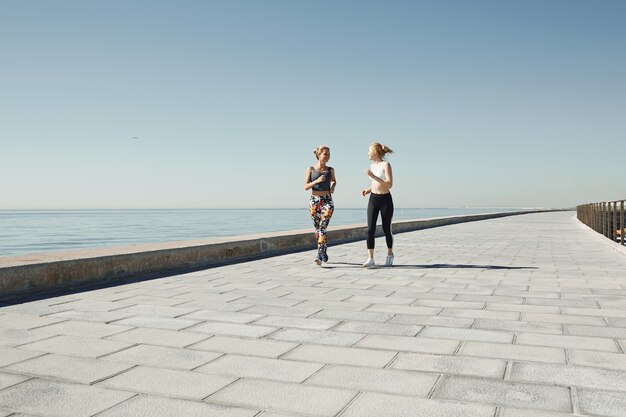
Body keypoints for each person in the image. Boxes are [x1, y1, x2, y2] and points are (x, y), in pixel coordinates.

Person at [361, 142, 394, 267]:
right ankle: (371, 258)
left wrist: (373, 176)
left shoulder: (386, 165)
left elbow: (389, 184)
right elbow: (375, 184)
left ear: (375, 151)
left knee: (386, 229)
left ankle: (390, 254)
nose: (368, 153)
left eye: (369, 150)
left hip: (385, 200)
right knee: (370, 230)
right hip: (373, 199)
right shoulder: (372, 165)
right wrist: (368, 190)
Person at [305, 145, 336, 265]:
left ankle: (319, 254)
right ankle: (324, 249)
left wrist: (333, 186)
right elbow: (305, 186)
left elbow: (334, 180)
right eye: (325, 154)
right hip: (314, 201)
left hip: (327, 200)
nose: (328, 156)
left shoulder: (331, 170)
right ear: (319, 155)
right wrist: (317, 181)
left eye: (329, 154)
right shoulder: (311, 169)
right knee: (317, 229)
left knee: (322, 228)